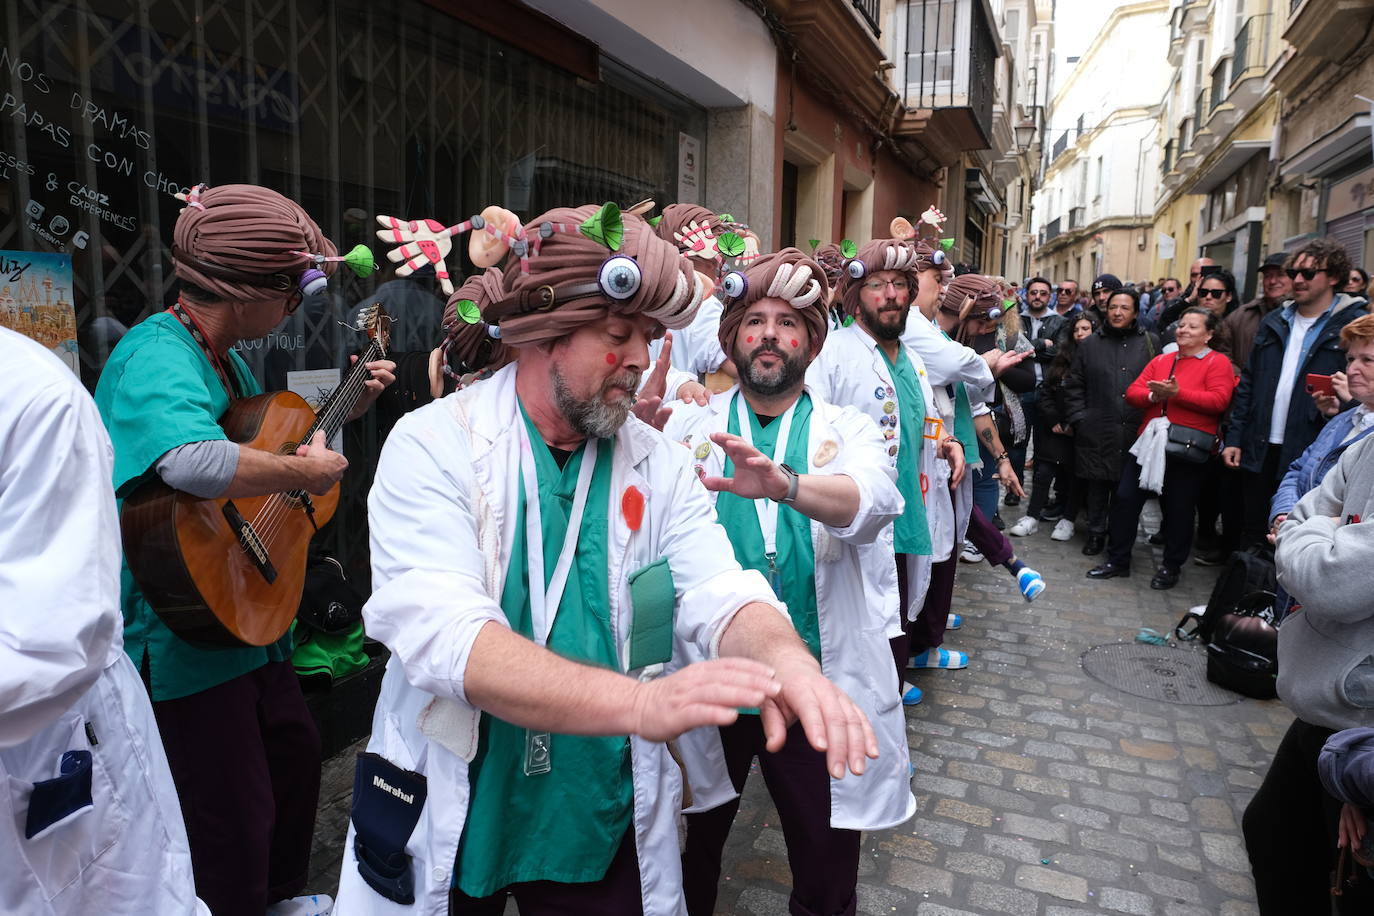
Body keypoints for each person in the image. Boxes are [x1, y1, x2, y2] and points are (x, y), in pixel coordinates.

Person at [334, 204, 876, 916]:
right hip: (461, 796)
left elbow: (721, 588)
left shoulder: (657, 464)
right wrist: (643, 704)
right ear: (542, 331)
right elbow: (448, 639)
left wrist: (793, 663)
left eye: (651, 338)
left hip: (592, 803)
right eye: (618, 336)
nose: (641, 361)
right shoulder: (432, 445)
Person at [94, 183, 395, 916]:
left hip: (251, 626)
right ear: (247, 290)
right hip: (187, 637)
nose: (295, 306)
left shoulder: (227, 359)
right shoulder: (155, 354)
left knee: (292, 762)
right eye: (291, 291)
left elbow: (265, 461)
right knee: (227, 816)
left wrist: (343, 411)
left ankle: (276, 898)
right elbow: (188, 461)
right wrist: (302, 469)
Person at [665, 248, 913, 916]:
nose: (769, 334)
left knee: (826, 859)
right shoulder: (691, 426)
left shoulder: (849, 428)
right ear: (732, 340)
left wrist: (786, 485)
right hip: (710, 681)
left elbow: (873, 501)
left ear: (810, 342)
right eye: (753, 322)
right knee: (687, 848)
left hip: (815, 681)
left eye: (786, 323)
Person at [1, 326, 208, 916]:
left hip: (52, 742)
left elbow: (50, 646)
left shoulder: (35, 398)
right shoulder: (158, 351)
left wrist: (298, 471)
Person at [806, 237, 969, 700]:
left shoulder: (913, 359)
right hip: (857, 526)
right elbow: (811, 433)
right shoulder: (832, 354)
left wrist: (949, 445)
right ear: (857, 295)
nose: (892, 294)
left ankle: (887, 718)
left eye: (900, 284)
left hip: (907, 520)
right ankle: (854, 735)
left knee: (895, 625)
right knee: (856, 632)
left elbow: (924, 424)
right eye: (878, 284)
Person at [1242, 430, 1374, 914]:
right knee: (1273, 835)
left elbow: (1330, 579)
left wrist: (1317, 537)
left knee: (1347, 881)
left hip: (1360, 725)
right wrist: (1321, 533)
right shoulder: (1366, 443)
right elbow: (1305, 507)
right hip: (1330, 709)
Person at [1222, 237, 1365, 547]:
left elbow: (1362, 396)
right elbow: (1248, 383)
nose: (1298, 280)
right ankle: (1249, 593)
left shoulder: (1353, 325)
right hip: (1260, 446)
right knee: (1253, 531)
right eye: (1295, 272)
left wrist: (1342, 404)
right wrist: (1235, 438)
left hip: (1312, 449)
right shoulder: (1275, 320)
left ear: (1334, 277)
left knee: (1298, 536)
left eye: (1309, 273)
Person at [1087, 308, 1236, 589]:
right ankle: (1118, 560)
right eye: (1182, 325)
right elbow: (1133, 393)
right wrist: (1156, 395)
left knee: (1179, 508)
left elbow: (1219, 401)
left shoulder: (1218, 363)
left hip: (1186, 446)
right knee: (1125, 498)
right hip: (1149, 443)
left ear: (1209, 334)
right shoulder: (1163, 360)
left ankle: (1171, 567)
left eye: (1193, 326)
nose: (1183, 330)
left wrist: (1178, 395)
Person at [1266, 313, 1374, 614]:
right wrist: (1283, 514)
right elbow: (1298, 469)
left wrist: (1300, 529)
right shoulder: (1343, 420)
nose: (1352, 369)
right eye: (1351, 358)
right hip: (1296, 566)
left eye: (1367, 360)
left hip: (1332, 590)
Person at [1063, 288, 1160, 556]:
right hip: (1097, 426)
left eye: (1125, 308)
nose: (1117, 312)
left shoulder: (1150, 342)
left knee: (1126, 491)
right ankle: (1095, 533)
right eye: (1113, 307)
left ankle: (1120, 537)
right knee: (1096, 485)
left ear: (1136, 313)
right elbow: (1074, 384)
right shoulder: (1091, 344)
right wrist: (1080, 418)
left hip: (1135, 428)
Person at [1010, 313, 1095, 539]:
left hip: (1081, 429)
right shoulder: (1062, 358)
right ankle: (1032, 516)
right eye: (1077, 329)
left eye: (1085, 329)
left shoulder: (1098, 360)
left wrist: (1074, 423)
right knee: (1043, 472)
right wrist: (1055, 420)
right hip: (1055, 427)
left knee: (1074, 476)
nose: (1080, 334)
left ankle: (1068, 519)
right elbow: (1047, 392)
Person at [1010, 277, 1068, 505]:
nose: (1038, 297)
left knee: (1045, 448)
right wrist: (1042, 344)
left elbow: (1060, 353)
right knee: (1018, 443)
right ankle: (1014, 490)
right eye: (1033, 292)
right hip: (1019, 390)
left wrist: (1027, 348)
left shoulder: (1060, 322)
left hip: (1047, 392)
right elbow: (1010, 347)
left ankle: (1040, 496)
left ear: (1049, 296)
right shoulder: (1015, 319)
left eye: (1043, 293)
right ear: (1026, 294)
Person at [1225, 253, 1293, 369]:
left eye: (1280, 275)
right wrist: (1240, 378)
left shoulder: (1304, 315)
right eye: (1267, 276)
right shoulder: (1241, 316)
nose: (1272, 281)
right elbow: (1222, 351)